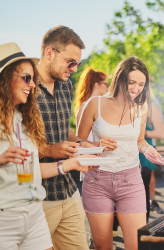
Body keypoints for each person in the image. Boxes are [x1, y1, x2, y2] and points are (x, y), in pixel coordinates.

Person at [0, 42, 97, 250]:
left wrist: (72, 163)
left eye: (32, 79)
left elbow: (34, 168)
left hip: (34, 212)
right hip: (5, 219)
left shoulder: (23, 120)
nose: (32, 84)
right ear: (4, 79)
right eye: (26, 78)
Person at [77, 56, 161, 250]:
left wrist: (148, 149)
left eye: (141, 84)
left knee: (135, 246)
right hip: (97, 180)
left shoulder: (142, 107)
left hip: (130, 180)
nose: (136, 88)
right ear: (119, 79)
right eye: (132, 82)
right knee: (104, 247)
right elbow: (79, 142)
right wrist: (97, 145)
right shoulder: (95, 103)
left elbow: (139, 140)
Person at [35, 25, 95, 250]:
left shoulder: (66, 85)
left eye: (77, 63)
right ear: (49, 53)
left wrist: (83, 144)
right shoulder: (24, 88)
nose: (75, 68)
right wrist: (50, 150)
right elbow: (14, 142)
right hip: (38, 197)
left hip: (68, 191)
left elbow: (63, 129)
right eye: (70, 62)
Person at [74, 67, 109, 194]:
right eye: (106, 84)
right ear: (96, 85)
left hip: (101, 159)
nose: (108, 87)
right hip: (93, 161)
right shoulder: (84, 107)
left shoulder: (98, 106)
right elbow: (81, 138)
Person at [139, 87, 164, 222]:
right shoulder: (125, 103)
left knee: (143, 194)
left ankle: (142, 230)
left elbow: (161, 133)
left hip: (144, 155)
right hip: (127, 155)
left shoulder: (151, 104)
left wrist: (140, 134)